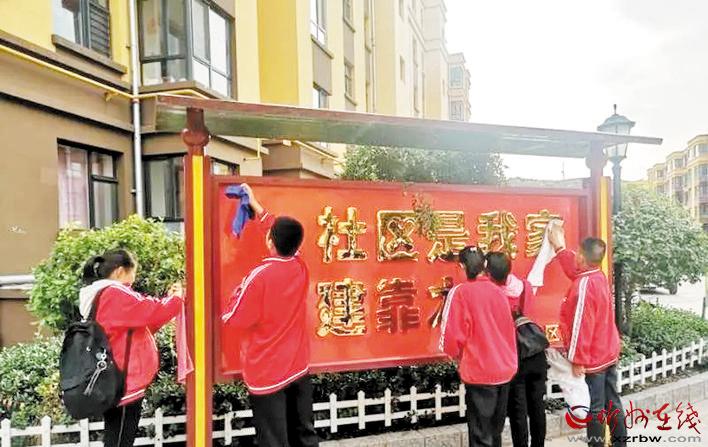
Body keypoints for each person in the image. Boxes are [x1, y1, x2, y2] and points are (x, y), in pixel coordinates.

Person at [222, 184, 318, 447]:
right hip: (297, 365)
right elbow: (282, 233)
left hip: (267, 371)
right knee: (304, 435)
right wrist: (257, 207)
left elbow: (234, 319)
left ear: (270, 242)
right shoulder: (300, 266)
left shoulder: (259, 276)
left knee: (273, 440)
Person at [79, 249, 184, 447]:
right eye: (133, 272)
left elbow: (142, 324)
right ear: (120, 271)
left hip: (112, 378)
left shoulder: (100, 294)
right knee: (120, 439)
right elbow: (152, 310)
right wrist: (177, 299)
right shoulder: (115, 293)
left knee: (117, 437)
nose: (134, 279)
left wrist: (170, 301)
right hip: (124, 381)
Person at [548, 227, 626, 447]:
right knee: (612, 403)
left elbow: (581, 326)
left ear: (582, 257)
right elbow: (576, 271)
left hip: (594, 357)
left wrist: (577, 359)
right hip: (607, 352)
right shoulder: (597, 276)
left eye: (577, 253)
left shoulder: (584, 285)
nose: (576, 256)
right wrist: (560, 247)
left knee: (595, 407)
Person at [440, 246, 518, 447]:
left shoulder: (461, 292)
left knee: (481, 435)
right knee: (494, 432)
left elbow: (452, 336)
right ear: (484, 264)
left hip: (480, 370)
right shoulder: (498, 291)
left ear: (461, 266)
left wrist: (454, 355)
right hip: (504, 369)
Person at [486, 252, 548, 447]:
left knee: (518, 410)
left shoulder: (494, 294)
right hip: (536, 352)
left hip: (515, 356)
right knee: (537, 406)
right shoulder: (525, 286)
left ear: (489, 273)